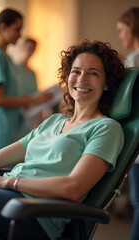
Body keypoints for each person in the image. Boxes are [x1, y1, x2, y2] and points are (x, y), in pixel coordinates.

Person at [0, 40, 125, 240]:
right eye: (76, 71)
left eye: (93, 73)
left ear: (107, 83)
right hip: (9, 197)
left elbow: (73, 188)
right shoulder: (54, 121)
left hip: (35, 213)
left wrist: (9, 182)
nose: (82, 79)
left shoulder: (106, 128)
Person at [0, 8, 52, 152]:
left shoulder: (7, 59)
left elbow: (13, 95)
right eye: (17, 30)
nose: (20, 35)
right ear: (3, 27)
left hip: (12, 128)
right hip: (0, 129)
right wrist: (32, 101)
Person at [117, 7, 139, 240]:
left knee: (138, 201)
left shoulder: (134, 61)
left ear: (131, 26)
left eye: (121, 29)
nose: (121, 35)